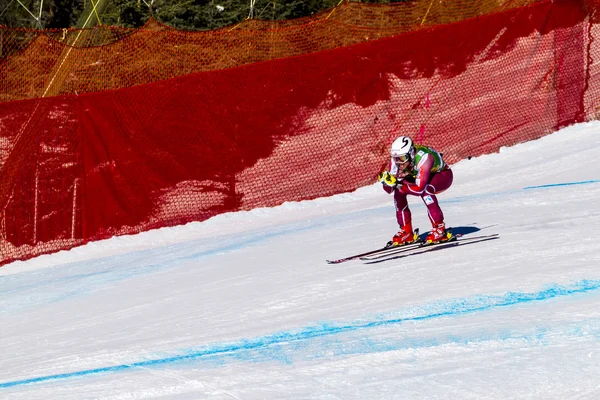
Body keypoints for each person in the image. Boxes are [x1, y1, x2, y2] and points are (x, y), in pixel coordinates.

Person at [378, 136, 453, 245]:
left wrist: (398, 183)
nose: (399, 162)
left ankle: (439, 228)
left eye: (402, 158)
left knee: (426, 190)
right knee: (399, 192)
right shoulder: (396, 160)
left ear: (411, 154)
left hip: (442, 176)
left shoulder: (424, 158)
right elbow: (389, 190)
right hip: (420, 176)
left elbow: (419, 189)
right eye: (396, 158)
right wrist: (386, 182)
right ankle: (406, 231)